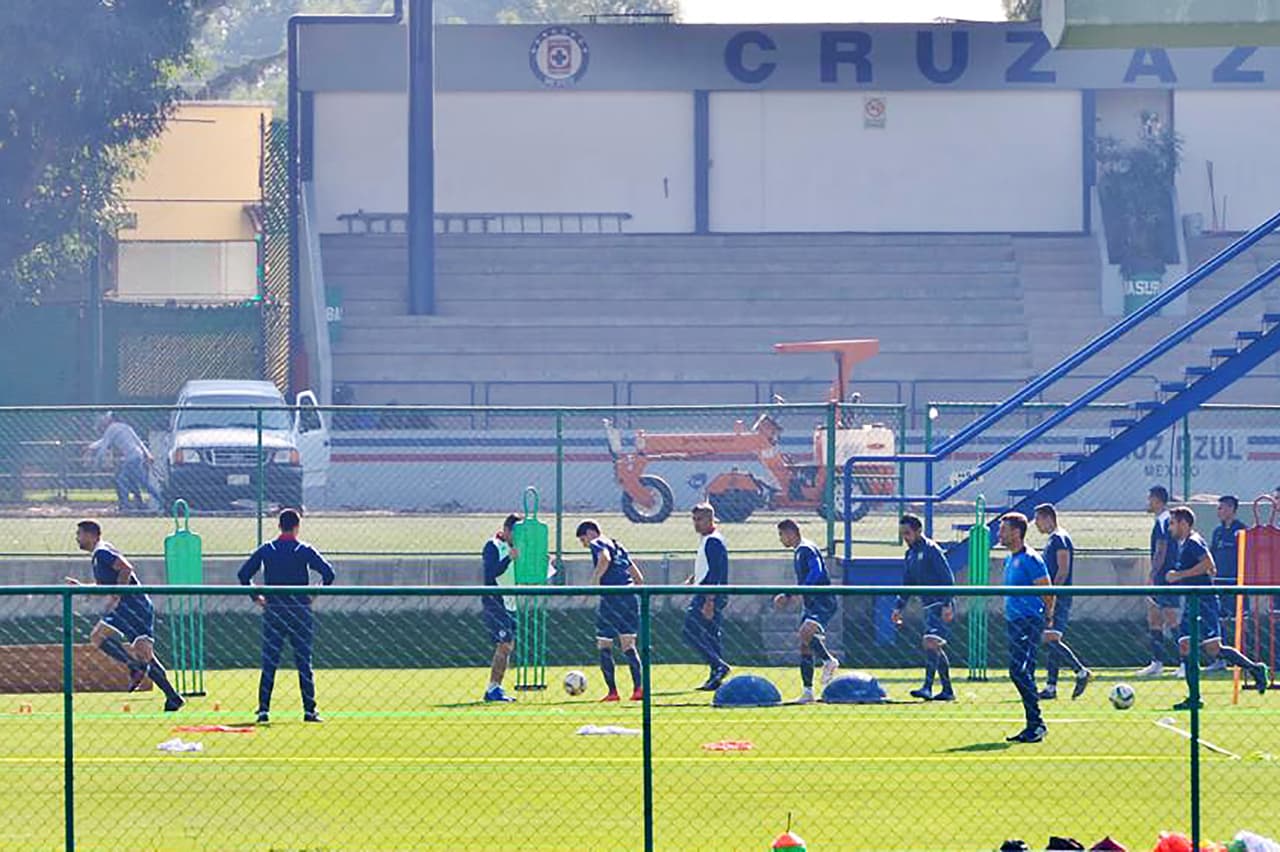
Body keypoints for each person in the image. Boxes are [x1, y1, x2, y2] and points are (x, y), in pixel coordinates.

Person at [68, 520, 185, 711]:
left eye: (79, 534)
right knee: (146, 655)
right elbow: (104, 585)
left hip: (132, 606)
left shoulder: (102, 551)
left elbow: (126, 568)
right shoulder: (98, 556)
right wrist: (82, 587)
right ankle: (173, 697)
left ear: (91, 535)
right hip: (132, 606)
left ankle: (134, 666)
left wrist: (117, 595)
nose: (77, 538)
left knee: (98, 637)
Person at [237, 508, 336, 724]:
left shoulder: (267, 550)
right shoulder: (303, 549)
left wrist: (257, 597)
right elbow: (329, 573)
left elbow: (243, 574)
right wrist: (314, 593)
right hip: (300, 611)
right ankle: (309, 711)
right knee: (303, 662)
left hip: (274, 611)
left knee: (270, 661)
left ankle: (263, 710)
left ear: (279, 526)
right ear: (297, 526)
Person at [1165, 506, 1268, 709]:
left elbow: (1208, 563)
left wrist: (1180, 575)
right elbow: (1211, 568)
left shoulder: (1193, 542)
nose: (1170, 528)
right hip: (1192, 603)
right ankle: (1194, 699)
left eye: (1173, 523)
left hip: (1205, 603)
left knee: (1213, 649)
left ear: (1184, 523)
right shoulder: (1185, 543)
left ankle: (1255, 668)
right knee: (1185, 645)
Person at [998, 512, 1053, 743]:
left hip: (1029, 622)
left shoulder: (1031, 559)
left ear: (1016, 532)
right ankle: (1032, 725)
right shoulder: (1010, 559)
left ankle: (1037, 724)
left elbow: (1048, 591)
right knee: (1024, 672)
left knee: (1018, 671)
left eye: (1003, 529)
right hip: (1014, 623)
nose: (999, 534)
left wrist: (1046, 618)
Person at [577, 520, 645, 702]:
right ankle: (639, 690)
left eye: (583, 540)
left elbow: (604, 559)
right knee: (628, 645)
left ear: (590, 533)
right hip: (630, 597)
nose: (585, 545)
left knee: (604, 644)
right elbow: (639, 577)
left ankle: (613, 692)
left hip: (612, 598)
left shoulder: (598, 542)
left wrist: (594, 584)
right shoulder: (618, 545)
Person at [773, 519, 839, 704]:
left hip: (822, 601)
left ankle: (828, 660)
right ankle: (808, 692)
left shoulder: (806, 549)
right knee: (804, 644)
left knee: (805, 632)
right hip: (811, 603)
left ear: (791, 532)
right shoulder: (798, 551)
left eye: (781, 535)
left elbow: (816, 571)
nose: (781, 539)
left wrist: (796, 592)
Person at [891, 513, 955, 702]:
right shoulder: (910, 554)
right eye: (902, 534)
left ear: (919, 531)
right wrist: (898, 607)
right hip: (928, 606)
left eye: (908, 533)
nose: (905, 538)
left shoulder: (931, 549)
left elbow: (948, 578)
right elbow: (908, 583)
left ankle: (927, 687)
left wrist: (947, 604)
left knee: (930, 641)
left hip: (940, 604)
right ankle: (948, 690)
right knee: (934, 645)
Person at [1033, 504, 1091, 700]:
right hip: (1054, 595)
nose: (1037, 525)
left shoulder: (1060, 539)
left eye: (1038, 520)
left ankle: (1080, 671)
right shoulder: (1053, 539)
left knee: (1050, 638)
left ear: (1048, 518)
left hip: (1059, 596)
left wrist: (1053, 594)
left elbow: (1063, 569)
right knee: (1051, 639)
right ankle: (1051, 687)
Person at [682, 503, 731, 691]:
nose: (696, 524)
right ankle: (715, 675)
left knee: (689, 631)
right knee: (711, 635)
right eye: (694, 519)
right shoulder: (707, 539)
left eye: (699, 519)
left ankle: (719, 665)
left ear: (711, 519)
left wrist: (709, 600)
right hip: (706, 591)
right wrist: (693, 578)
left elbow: (716, 573)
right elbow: (708, 566)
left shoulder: (713, 541)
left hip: (708, 595)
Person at [1136, 486, 1180, 677]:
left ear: (1157, 499)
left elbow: (1161, 550)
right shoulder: (1160, 520)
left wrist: (1153, 573)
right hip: (1161, 576)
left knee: (1170, 618)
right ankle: (1157, 662)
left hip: (1165, 577)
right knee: (1154, 617)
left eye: (1150, 498)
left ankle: (1185, 663)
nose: (1148, 502)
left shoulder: (1165, 521)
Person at [86, 411, 162, 513]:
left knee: (122, 480)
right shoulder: (125, 427)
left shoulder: (111, 428)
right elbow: (138, 441)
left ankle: (126, 506)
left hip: (131, 458)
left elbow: (104, 446)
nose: (103, 421)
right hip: (138, 456)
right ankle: (143, 503)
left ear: (110, 419)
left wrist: (96, 463)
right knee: (137, 482)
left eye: (105, 419)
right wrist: (147, 454)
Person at [481, 514, 521, 703]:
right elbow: (491, 573)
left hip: (510, 603)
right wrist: (508, 558)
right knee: (504, 644)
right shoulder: (493, 546)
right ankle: (493, 689)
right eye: (516, 533)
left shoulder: (516, 548)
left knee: (507, 646)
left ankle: (495, 688)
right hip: (496, 602)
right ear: (507, 530)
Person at [1208, 495, 1249, 670]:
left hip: (1237, 583)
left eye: (1222, 508)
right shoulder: (1217, 532)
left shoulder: (1242, 531)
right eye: (1218, 508)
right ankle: (1220, 660)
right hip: (1219, 583)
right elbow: (1211, 556)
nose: (1219, 511)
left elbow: (1248, 557)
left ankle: (1245, 661)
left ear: (1232, 508)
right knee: (1220, 620)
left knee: (1242, 621)